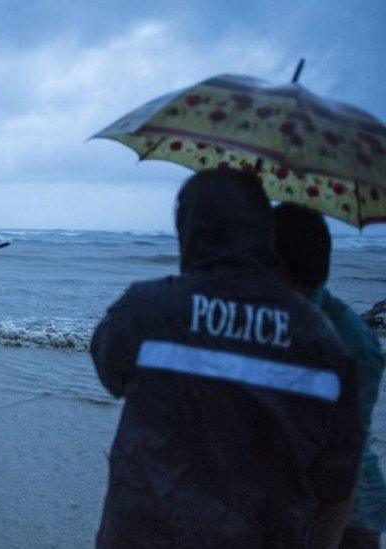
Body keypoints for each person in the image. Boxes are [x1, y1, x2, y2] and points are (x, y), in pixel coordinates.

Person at [90, 168, 364, 547]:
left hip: (145, 532)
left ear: (190, 230)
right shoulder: (324, 341)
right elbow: (338, 477)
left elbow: (110, 373)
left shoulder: (147, 311)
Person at [274, 202, 386, 548]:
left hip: (348, 517)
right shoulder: (279, 317)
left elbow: (345, 456)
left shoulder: (350, 343)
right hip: (295, 503)